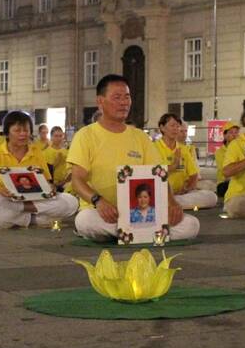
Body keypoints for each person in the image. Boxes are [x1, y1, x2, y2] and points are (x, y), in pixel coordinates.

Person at [68, 74, 199, 241]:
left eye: (127, 97)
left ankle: (128, 234)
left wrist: (172, 202)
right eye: (117, 97)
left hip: (141, 211)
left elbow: (159, 176)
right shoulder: (85, 135)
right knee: (85, 221)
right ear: (100, 102)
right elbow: (77, 181)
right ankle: (142, 233)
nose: (124, 103)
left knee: (191, 224)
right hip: (101, 212)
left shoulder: (140, 137)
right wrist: (98, 201)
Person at [0, 111, 79, 229]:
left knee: (71, 202)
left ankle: (22, 212)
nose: (23, 134)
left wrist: (50, 188)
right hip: (7, 202)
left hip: (35, 201)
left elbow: (48, 183)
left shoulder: (37, 152)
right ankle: (35, 219)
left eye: (26, 130)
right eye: (17, 131)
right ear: (7, 133)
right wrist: (0, 193)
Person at [155, 113, 217, 210]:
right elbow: (152, 173)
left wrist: (187, 189)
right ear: (162, 128)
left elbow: (194, 175)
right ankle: (170, 202)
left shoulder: (183, 149)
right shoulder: (154, 148)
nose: (175, 129)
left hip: (182, 194)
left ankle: (172, 203)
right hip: (160, 192)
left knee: (212, 197)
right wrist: (173, 165)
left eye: (177, 126)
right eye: (172, 125)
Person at [214, 121, 239, 200]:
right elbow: (225, 172)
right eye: (231, 132)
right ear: (225, 135)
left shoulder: (241, 149)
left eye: (236, 132)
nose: (234, 135)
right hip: (224, 183)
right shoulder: (219, 152)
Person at [43, 126, 70, 190]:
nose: (58, 138)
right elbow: (45, 172)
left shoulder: (66, 152)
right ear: (51, 137)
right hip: (52, 185)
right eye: (56, 136)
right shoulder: (45, 153)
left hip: (65, 183)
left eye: (60, 136)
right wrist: (57, 162)